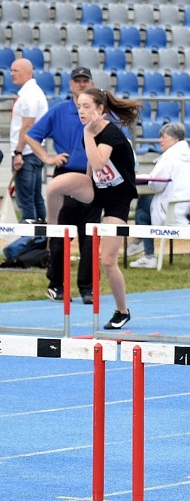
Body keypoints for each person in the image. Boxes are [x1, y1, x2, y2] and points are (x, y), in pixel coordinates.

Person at [45, 88, 141, 329]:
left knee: (108, 260)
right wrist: (86, 186)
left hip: (117, 200)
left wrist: (88, 133)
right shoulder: (90, 132)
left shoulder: (112, 134)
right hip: (97, 189)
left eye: (87, 107)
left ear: (100, 109)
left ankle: (122, 311)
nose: (81, 112)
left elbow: (100, 162)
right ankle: (50, 227)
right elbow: (91, 164)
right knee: (55, 187)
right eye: (78, 107)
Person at [25, 67, 101, 304]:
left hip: (90, 179)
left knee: (90, 235)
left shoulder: (99, 114)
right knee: (60, 234)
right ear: (70, 85)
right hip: (65, 177)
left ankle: (87, 287)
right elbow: (31, 135)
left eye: (84, 81)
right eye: (77, 81)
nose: (80, 84)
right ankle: (56, 284)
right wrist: (48, 158)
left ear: (91, 83)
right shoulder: (60, 111)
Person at [129, 123, 190, 269]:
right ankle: (140, 240)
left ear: (174, 139)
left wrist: (147, 179)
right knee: (147, 204)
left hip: (173, 209)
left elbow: (156, 185)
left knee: (143, 204)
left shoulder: (169, 157)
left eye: (163, 137)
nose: (160, 140)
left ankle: (147, 252)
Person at [8, 58, 49, 222]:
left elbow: (27, 126)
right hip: (32, 152)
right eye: (11, 70)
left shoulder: (29, 95)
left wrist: (18, 152)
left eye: (15, 70)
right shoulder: (31, 92)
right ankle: (40, 237)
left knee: (26, 200)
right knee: (35, 196)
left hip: (26, 153)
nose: (11, 74)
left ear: (28, 72)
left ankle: (30, 240)